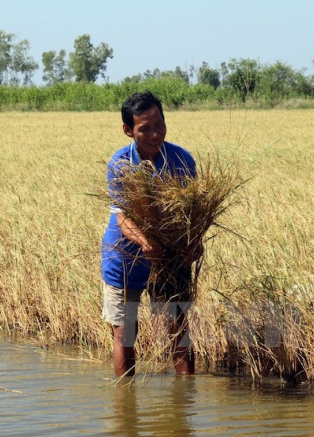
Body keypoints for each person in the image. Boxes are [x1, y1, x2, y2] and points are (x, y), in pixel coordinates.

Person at [101, 91, 200, 377]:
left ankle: (184, 406)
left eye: (160, 125)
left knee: (179, 330)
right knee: (125, 333)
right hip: (124, 258)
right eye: (145, 129)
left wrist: (194, 244)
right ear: (128, 130)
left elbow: (192, 215)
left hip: (170, 258)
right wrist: (145, 242)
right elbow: (122, 217)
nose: (155, 134)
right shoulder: (120, 164)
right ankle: (126, 410)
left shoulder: (181, 161)